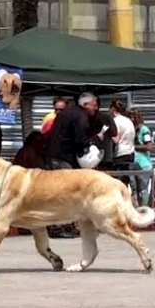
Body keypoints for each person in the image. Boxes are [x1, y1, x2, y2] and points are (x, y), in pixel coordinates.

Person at [44, 92, 104, 238]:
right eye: (94, 105)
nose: (95, 108)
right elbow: (80, 140)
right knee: (63, 194)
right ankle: (57, 228)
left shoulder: (66, 113)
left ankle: (63, 225)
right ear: (85, 105)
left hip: (53, 156)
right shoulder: (80, 117)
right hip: (64, 158)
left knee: (56, 193)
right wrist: (96, 139)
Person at [109, 101, 136, 188]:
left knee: (117, 182)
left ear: (113, 109)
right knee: (125, 179)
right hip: (130, 153)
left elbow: (116, 139)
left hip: (120, 154)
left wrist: (108, 135)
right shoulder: (128, 120)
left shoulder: (115, 121)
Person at [129, 109, 153, 206]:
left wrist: (133, 147)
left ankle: (145, 208)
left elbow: (149, 147)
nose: (130, 119)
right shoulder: (130, 130)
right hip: (133, 164)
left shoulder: (144, 130)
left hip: (144, 165)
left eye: (132, 117)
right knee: (134, 190)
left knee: (143, 190)